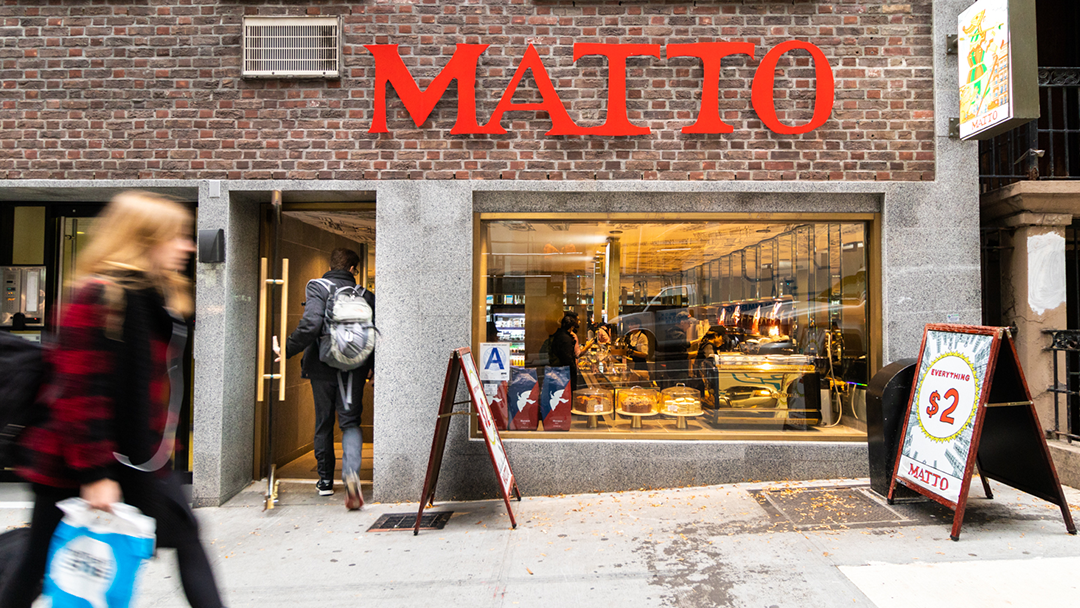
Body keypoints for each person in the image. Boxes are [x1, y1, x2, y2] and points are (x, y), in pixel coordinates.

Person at [0, 192, 225, 608]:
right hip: (77, 461)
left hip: (138, 458)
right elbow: (79, 393)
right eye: (176, 237)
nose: (187, 246)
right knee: (35, 561)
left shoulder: (154, 299)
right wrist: (95, 473)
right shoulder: (97, 297)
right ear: (144, 240)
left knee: (187, 536)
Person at [275, 248, 373, 511]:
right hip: (353, 368)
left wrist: (287, 349)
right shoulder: (365, 294)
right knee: (350, 423)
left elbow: (310, 325)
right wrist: (371, 367)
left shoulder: (318, 287)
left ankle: (326, 481)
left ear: (331, 266)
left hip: (322, 366)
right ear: (352, 269)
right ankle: (351, 481)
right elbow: (373, 332)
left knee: (324, 421)